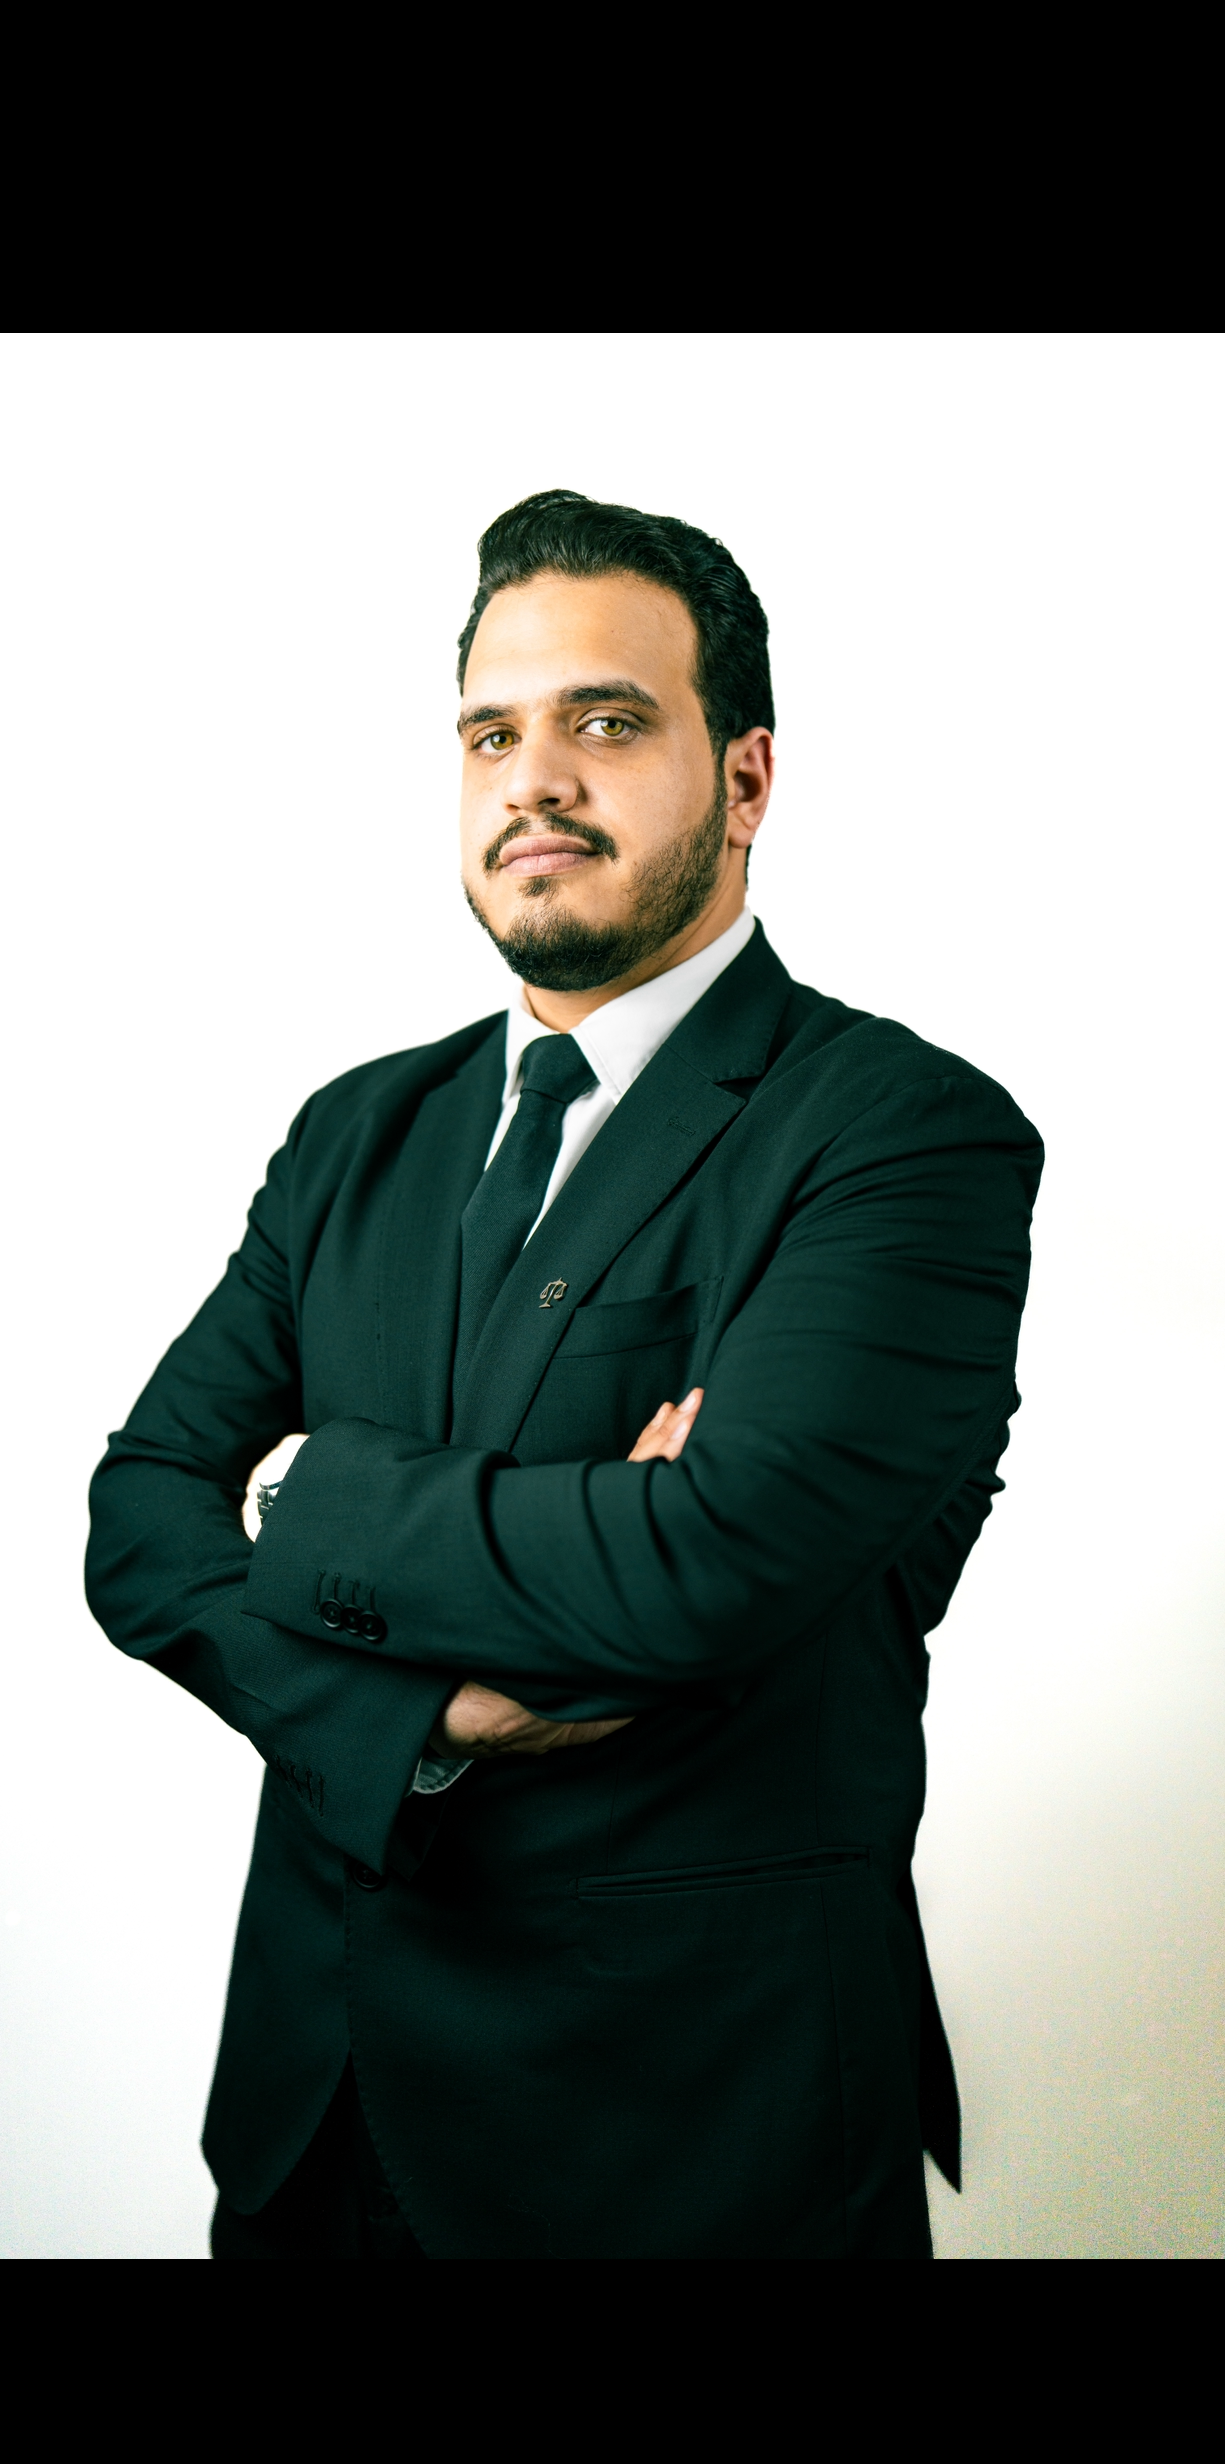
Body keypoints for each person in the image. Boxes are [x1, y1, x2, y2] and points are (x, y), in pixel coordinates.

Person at [86, 488, 1043, 2259]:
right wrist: (418, 1716)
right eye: (491, 732)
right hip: (321, 2106)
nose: (536, 777)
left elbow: (708, 1562)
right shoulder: (357, 1131)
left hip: (681, 2129)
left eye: (608, 721)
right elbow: (140, 1518)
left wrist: (304, 1493)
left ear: (745, 780)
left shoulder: (905, 1137)